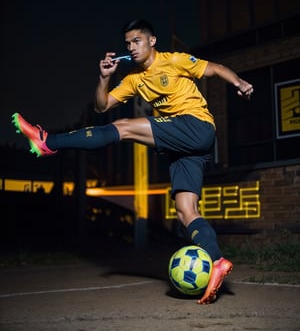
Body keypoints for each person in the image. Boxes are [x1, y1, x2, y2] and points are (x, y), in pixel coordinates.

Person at [12, 19, 254, 304]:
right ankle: (216, 262)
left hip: (196, 126)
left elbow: (213, 68)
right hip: (185, 147)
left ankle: (47, 142)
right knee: (186, 210)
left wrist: (239, 82)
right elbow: (102, 107)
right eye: (127, 43)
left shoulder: (173, 60)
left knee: (125, 127)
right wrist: (104, 77)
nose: (131, 47)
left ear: (152, 41)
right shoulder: (134, 80)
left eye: (136, 40)